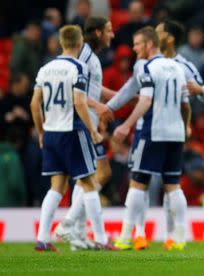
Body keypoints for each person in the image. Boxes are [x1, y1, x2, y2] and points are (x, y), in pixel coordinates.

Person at [30, 25, 114, 251]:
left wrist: (40, 132)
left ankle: (42, 238)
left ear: (61, 42)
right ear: (79, 44)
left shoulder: (46, 68)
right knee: (88, 182)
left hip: (51, 133)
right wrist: (93, 130)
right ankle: (101, 238)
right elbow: (79, 101)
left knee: (56, 187)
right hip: (72, 130)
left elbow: (34, 104)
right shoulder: (78, 67)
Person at [112, 26, 191, 251]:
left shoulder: (148, 68)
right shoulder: (178, 68)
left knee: (137, 183)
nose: (135, 48)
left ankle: (126, 237)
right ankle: (180, 238)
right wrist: (184, 128)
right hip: (175, 134)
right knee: (173, 186)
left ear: (149, 44)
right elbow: (185, 105)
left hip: (153, 131)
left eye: (138, 44)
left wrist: (126, 125)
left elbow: (145, 101)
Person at [54, 17, 115, 250]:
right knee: (97, 174)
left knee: (90, 176)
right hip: (80, 121)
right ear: (98, 32)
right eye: (109, 30)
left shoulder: (91, 56)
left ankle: (76, 234)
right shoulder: (83, 56)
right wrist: (97, 110)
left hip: (89, 120)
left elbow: (95, 90)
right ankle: (69, 224)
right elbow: (75, 90)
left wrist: (122, 96)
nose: (113, 34)